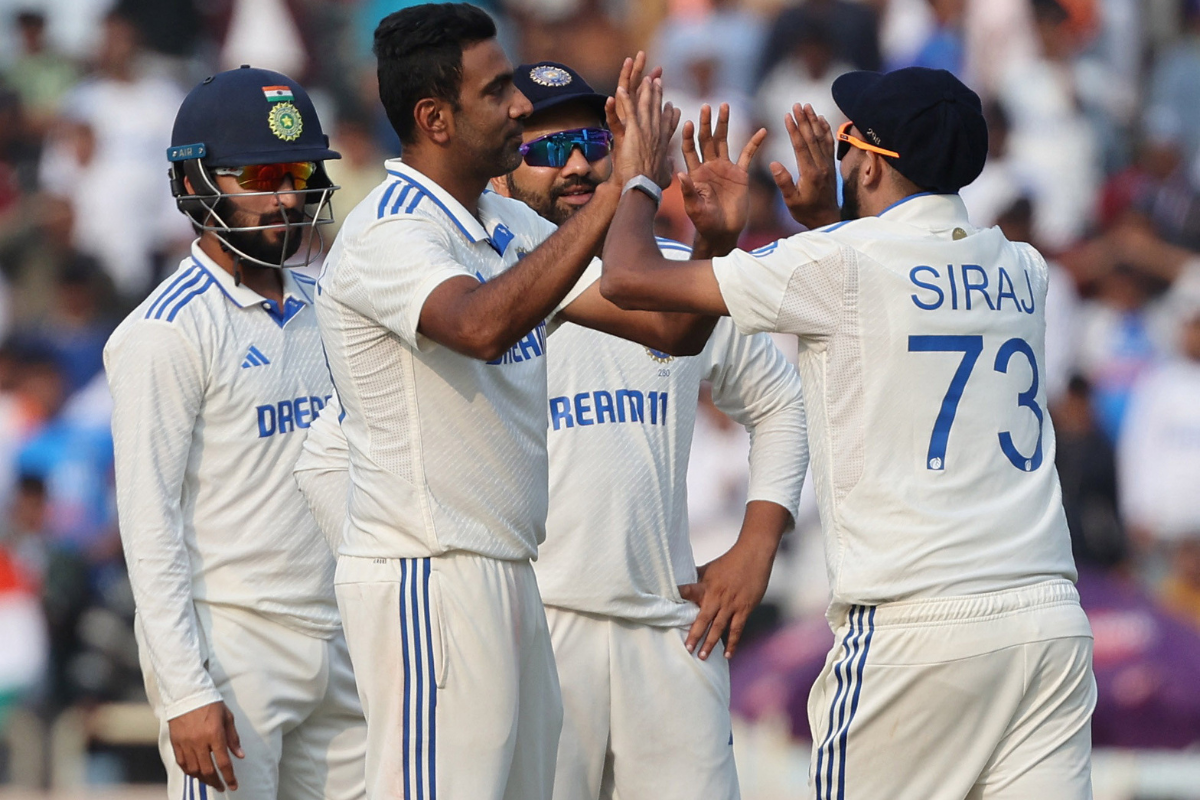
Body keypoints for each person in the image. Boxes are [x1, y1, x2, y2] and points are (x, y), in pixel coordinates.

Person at [299, 59, 805, 800]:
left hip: (669, 625)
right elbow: (327, 454)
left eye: (591, 146)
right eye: (542, 150)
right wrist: (411, 600)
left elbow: (773, 395)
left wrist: (757, 544)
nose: (573, 165)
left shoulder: (668, 272)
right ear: (504, 165)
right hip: (528, 622)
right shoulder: (475, 276)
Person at [600, 66, 1095, 799]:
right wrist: (832, 224)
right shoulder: (1023, 269)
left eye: (843, 146)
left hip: (913, 627)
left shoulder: (838, 263)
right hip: (1047, 621)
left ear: (868, 162)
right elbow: (902, 295)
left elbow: (628, 276)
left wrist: (639, 177)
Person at [104, 67, 366, 799]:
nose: (285, 196)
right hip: (236, 651)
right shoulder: (164, 332)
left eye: (297, 171)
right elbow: (148, 527)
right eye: (258, 174)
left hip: (347, 640)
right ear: (192, 185)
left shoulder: (334, 306)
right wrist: (184, 691)